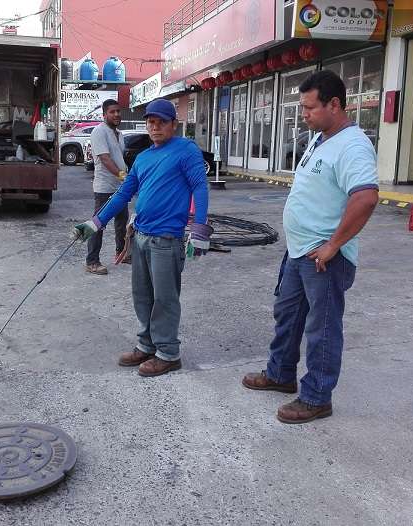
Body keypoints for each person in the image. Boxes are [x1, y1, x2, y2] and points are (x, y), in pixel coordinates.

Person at [242, 70, 379, 424]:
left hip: (324, 257)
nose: (304, 114)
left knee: (323, 328)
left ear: (335, 104)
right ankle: (280, 373)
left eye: (309, 107)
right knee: (287, 314)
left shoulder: (352, 145)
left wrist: (334, 245)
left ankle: (317, 397)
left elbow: (365, 198)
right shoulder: (321, 139)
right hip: (300, 250)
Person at [74, 98, 212, 377]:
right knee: (142, 295)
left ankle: (169, 352)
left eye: (162, 122)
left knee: (165, 298)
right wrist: (96, 222)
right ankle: (147, 344)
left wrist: (199, 229)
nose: (155, 127)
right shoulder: (144, 157)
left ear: (174, 124)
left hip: (167, 238)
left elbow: (200, 186)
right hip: (142, 237)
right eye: (151, 122)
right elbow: (124, 193)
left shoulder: (186, 150)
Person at [85, 99, 128, 275]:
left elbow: (119, 158)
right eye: (112, 112)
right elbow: (105, 158)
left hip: (120, 187)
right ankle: (92, 261)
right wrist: (122, 175)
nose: (117, 114)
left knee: (122, 222)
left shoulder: (119, 134)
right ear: (104, 114)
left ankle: (121, 253)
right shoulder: (99, 131)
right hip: (104, 187)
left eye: (118, 111)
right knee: (98, 224)